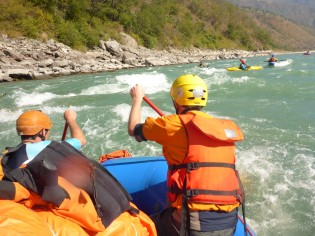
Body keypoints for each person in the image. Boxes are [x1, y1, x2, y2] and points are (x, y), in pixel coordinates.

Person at [0, 109, 157, 235]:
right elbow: (80, 140)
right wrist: (71, 120)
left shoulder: (7, 156)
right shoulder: (54, 147)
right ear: (42, 132)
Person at [128, 74, 245, 236]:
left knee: (138, 226)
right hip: (230, 220)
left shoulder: (172, 124)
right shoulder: (222, 129)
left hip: (195, 224)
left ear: (176, 101)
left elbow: (134, 129)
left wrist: (137, 98)